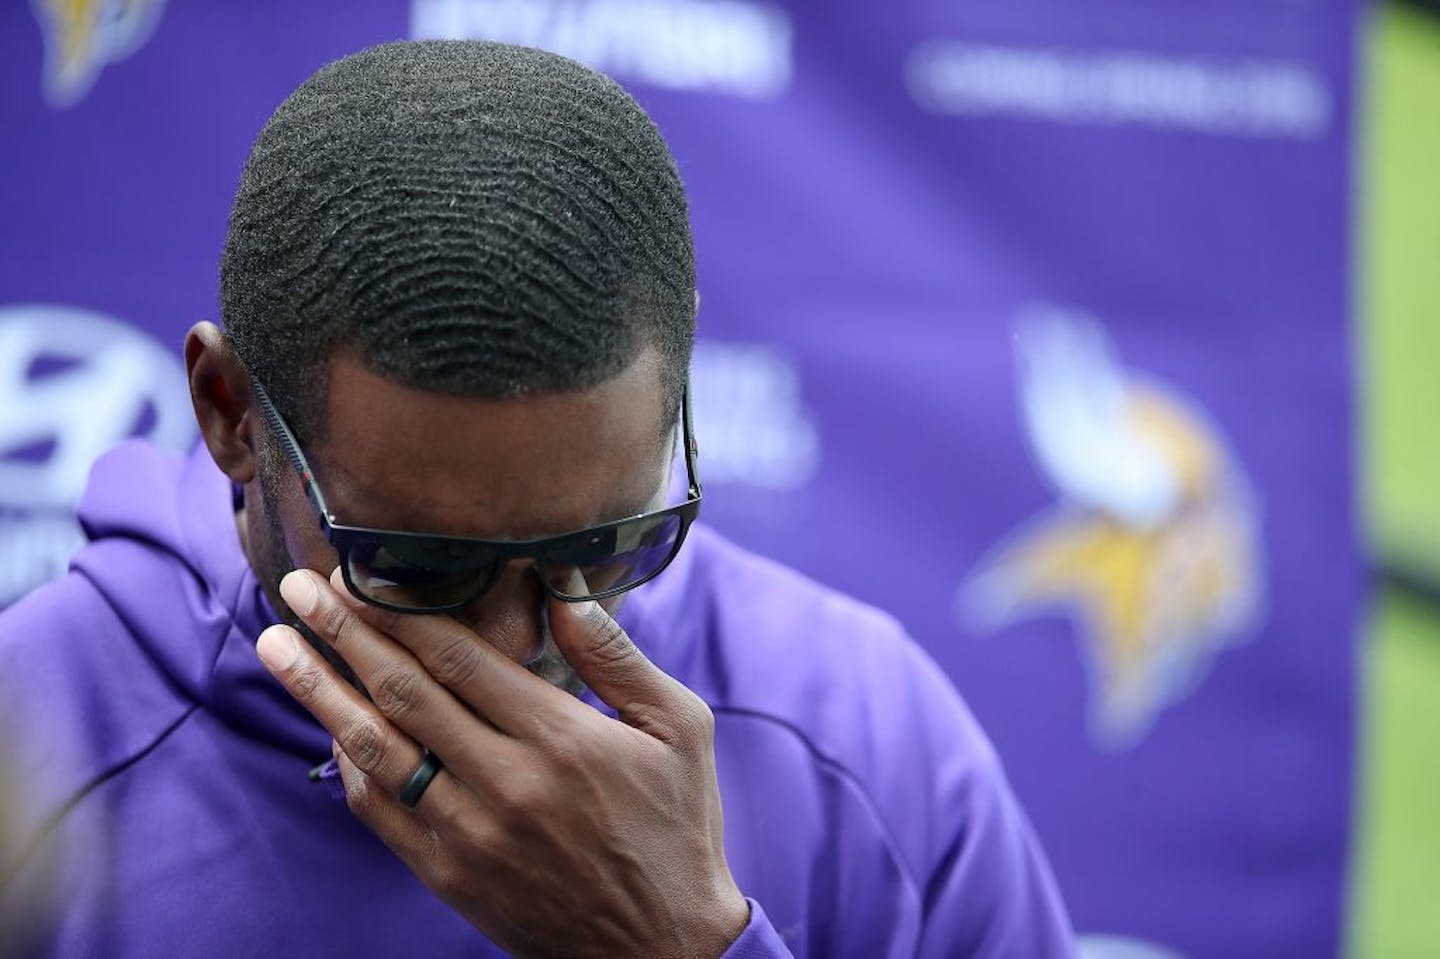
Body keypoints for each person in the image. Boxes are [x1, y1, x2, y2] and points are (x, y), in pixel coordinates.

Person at [0, 40, 1073, 957]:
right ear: (231, 413)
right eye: (417, 562)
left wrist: (685, 941)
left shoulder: (859, 731)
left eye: (607, 545)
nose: (520, 646)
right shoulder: (33, 743)